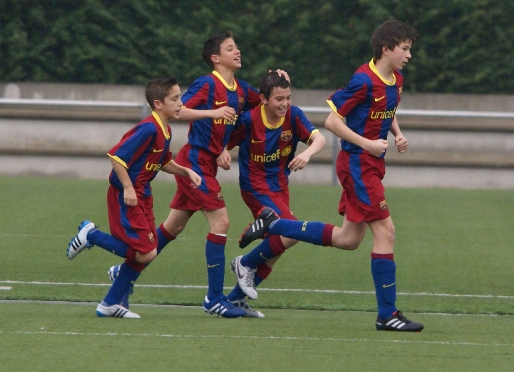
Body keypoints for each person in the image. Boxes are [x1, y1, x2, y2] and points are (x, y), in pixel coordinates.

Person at [237, 20, 424, 332]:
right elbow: (332, 121)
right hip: (358, 164)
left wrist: (398, 134)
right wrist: (366, 143)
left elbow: (387, 112)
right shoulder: (363, 80)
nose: (408, 55)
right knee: (386, 231)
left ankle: (275, 225)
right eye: (404, 49)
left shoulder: (397, 79)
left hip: (372, 163)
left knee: (349, 239)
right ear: (386, 49)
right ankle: (388, 314)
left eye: (409, 50)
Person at [66, 77, 202, 318]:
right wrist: (128, 188)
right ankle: (91, 235)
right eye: (175, 98)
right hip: (126, 196)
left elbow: (163, 162)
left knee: (145, 250)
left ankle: (109, 304)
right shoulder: (148, 128)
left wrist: (186, 171)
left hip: (143, 195)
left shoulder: (165, 129)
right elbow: (116, 156)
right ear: (158, 104)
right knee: (146, 252)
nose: (181, 103)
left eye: (180, 96)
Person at [226, 71, 326, 318]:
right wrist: (221, 151)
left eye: (288, 98)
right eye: (279, 99)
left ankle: (234, 300)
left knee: (277, 249)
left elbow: (320, 138)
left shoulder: (293, 115)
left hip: (280, 187)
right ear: (263, 99)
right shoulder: (249, 120)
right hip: (255, 187)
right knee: (290, 234)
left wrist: (306, 153)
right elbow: (223, 141)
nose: (284, 104)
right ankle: (245, 263)